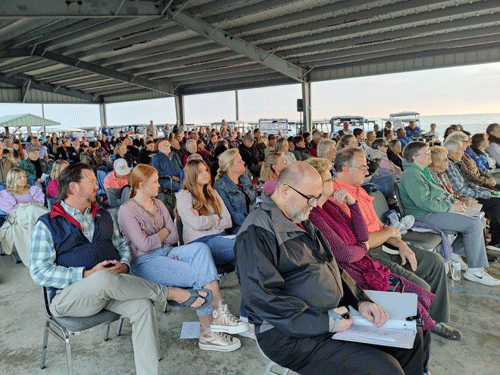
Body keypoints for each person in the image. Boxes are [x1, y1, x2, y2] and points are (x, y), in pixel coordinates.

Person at [234, 161, 424, 375]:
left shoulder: (300, 219)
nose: (315, 205)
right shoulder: (256, 233)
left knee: (411, 340)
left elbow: (332, 267)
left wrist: (359, 301)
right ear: (286, 191)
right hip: (291, 335)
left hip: (332, 316)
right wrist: (325, 322)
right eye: (310, 198)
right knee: (386, 370)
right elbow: (263, 299)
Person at [30, 163, 214, 374]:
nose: (97, 186)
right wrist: (85, 274)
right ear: (74, 187)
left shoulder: (103, 215)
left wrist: (125, 264)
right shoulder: (48, 223)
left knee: (143, 305)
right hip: (69, 299)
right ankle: (172, 293)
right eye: (91, 181)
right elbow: (38, 272)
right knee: (102, 279)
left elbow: (122, 246)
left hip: (110, 292)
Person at [305, 157, 434, 372]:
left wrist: (353, 204)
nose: (334, 182)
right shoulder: (314, 216)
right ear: (318, 185)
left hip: (363, 267)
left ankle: (421, 368)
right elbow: (345, 255)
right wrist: (363, 248)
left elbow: (361, 234)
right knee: (414, 319)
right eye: (330, 179)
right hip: (351, 278)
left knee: (417, 309)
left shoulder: (330, 206)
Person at [333, 147, 463, 339]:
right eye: (362, 167)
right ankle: (419, 330)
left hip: (385, 244)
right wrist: (390, 235)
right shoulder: (338, 196)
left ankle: (435, 320)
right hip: (367, 255)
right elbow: (363, 239)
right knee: (419, 285)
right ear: (346, 169)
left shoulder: (359, 190)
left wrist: (400, 243)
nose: (367, 171)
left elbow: (379, 226)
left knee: (434, 262)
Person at [118, 164, 248, 352]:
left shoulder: (159, 204)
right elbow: (144, 246)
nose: (158, 186)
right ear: (140, 185)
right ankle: (208, 333)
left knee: (201, 249)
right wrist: (163, 232)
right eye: (154, 182)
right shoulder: (126, 210)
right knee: (199, 274)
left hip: (166, 252)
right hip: (144, 262)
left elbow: (174, 237)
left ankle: (219, 311)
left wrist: (157, 236)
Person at [398, 142, 500, 286]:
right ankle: (475, 270)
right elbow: (425, 203)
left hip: (435, 210)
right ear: (414, 157)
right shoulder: (411, 175)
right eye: (426, 153)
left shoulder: (426, 170)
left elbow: (443, 191)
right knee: (473, 225)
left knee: (478, 219)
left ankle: (453, 252)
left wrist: (457, 203)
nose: (430, 155)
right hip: (423, 215)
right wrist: (450, 207)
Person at [176, 160, 235, 272]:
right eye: (199, 171)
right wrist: (216, 218)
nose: (205, 174)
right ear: (191, 175)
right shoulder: (184, 196)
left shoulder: (213, 193)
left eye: (206, 170)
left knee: (248, 244)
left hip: (221, 236)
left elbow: (228, 221)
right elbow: (197, 224)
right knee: (244, 246)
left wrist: (205, 221)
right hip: (201, 242)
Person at [213, 149, 257, 235]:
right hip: (238, 230)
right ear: (230, 166)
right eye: (239, 161)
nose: (243, 162)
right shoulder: (220, 187)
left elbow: (256, 200)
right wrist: (255, 219)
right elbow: (230, 215)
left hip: (255, 223)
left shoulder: (244, 179)